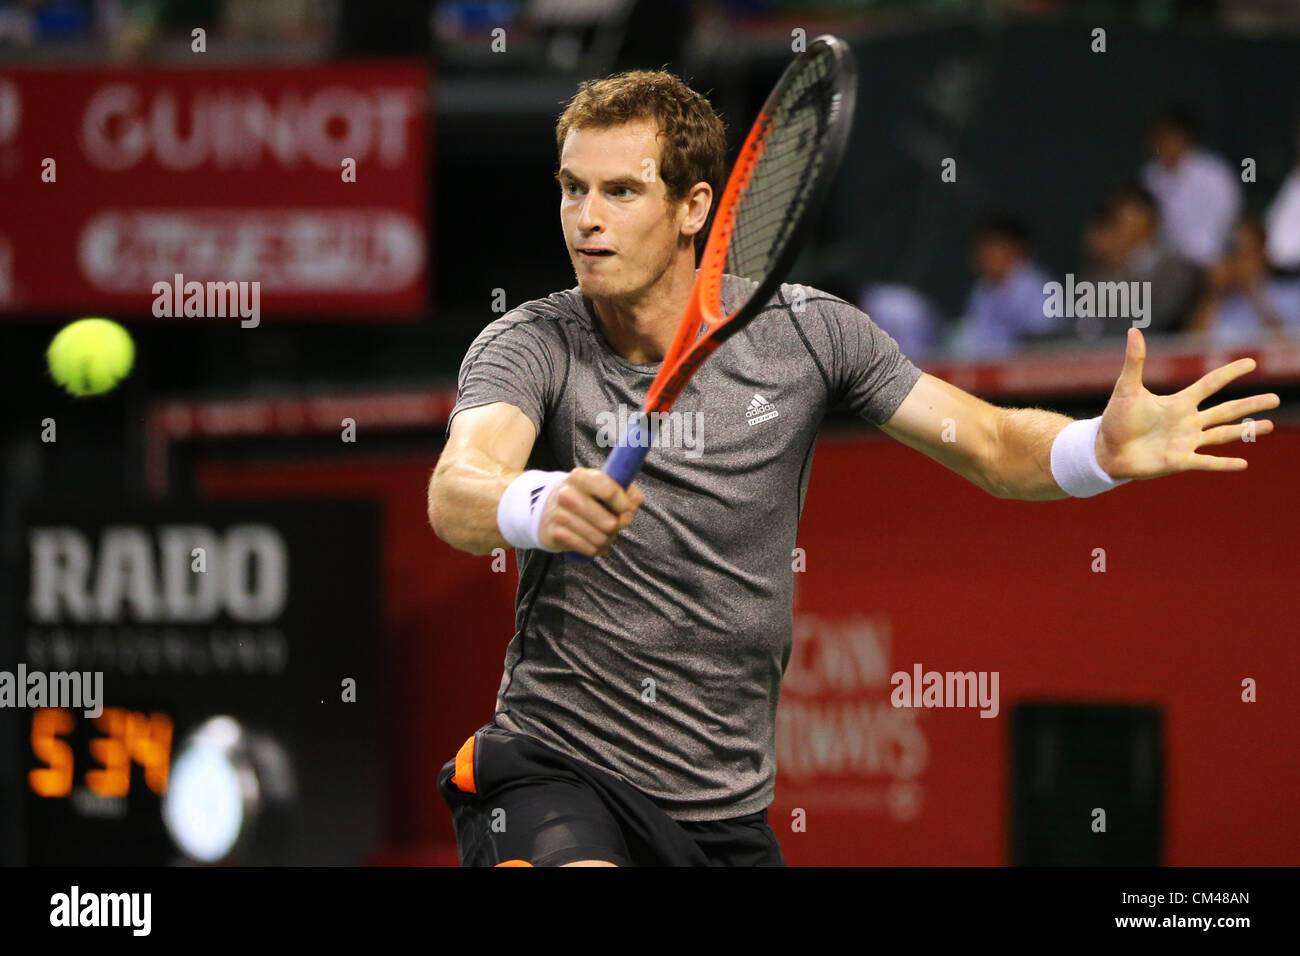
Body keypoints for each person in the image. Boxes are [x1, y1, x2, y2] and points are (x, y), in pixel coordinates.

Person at [426, 69, 1279, 867]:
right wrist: (537, 503)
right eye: (573, 188)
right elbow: (460, 488)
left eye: (620, 191)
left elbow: (986, 444)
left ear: (694, 207)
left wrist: (1096, 450)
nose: (586, 218)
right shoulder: (530, 342)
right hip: (559, 767)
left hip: (724, 810)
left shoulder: (810, 332)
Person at [1077, 183, 1202, 340]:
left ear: (1151, 222)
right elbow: (1086, 321)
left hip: (1160, 352)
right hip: (1110, 354)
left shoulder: (1175, 268)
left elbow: (1154, 317)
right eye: (1117, 219)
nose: (1123, 228)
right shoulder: (1102, 269)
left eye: (1128, 218)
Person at [1140, 105, 1242, 267]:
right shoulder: (1149, 176)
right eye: (1157, 138)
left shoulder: (1214, 172)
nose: (1161, 144)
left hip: (1209, 260)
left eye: (1167, 136)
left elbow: (1229, 222)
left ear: (1185, 137)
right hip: (1164, 262)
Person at [948, 211, 1058, 357]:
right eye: (981, 247)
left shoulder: (1037, 287)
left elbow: (1047, 341)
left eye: (992, 246)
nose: (983, 254)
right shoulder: (982, 289)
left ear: (1014, 248)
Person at [1189, 218, 1300, 343]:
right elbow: (1192, 347)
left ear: (1263, 254)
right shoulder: (1221, 299)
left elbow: (1289, 346)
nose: (1240, 261)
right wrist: (1213, 294)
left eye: (1246, 251)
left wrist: (1254, 293)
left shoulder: (1289, 294)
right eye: (1235, 253)